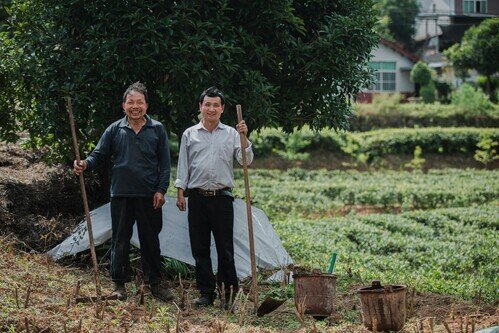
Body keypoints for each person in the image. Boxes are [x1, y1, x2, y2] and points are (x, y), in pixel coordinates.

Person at [73, 81, 174, 302]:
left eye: (139, 102)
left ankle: (155, 284)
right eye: (131, 102)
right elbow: (98, 155)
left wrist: (161, 190)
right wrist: (85, 164)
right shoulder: (114, 129)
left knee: (150, 240)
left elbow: (165, 165)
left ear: (147, 105)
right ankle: (119, 286)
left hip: (149, 196)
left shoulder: (157, 129)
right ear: (123, 105)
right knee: (120, 240)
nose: (135, 106)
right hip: (121, 194)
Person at [174, 86, 254, 308]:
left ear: (222, 109)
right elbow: (184, 165)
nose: (211, 109)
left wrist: (244, 138)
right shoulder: (190, 134)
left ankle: (228, 294)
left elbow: (245, 161)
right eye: (207, 105)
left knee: (225, 248)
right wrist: (180, 191)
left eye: (215, 105)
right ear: (200, 107)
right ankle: (206, 293)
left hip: (222, 198)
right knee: (199, 248)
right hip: (197, 198)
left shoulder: (232, 134)